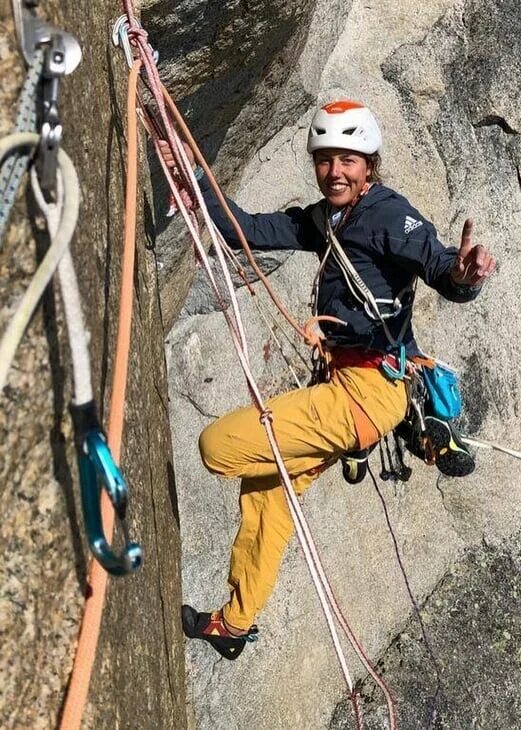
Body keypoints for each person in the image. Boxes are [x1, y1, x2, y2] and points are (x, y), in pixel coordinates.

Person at [161, 100, 496, 659]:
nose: (335, 171)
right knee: (267, 491)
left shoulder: (390, 214)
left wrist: (464, 275)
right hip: (342, 391)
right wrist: (191, 177)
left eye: (349, 160)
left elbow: (440, 265)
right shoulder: (325, 221)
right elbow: (247, 228)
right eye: (325, 160)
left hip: (366, 396)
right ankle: (234, 624)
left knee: (217, 447)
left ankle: (398, 434)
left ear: (370, 165)